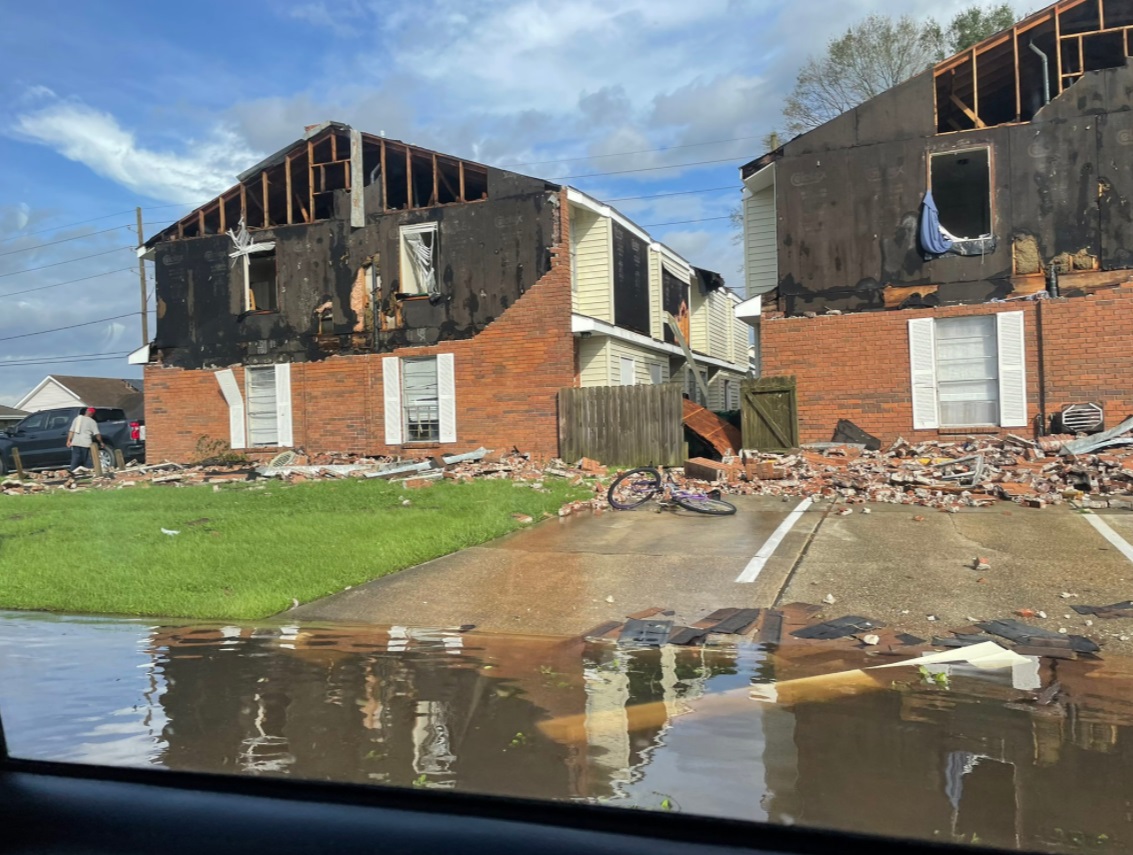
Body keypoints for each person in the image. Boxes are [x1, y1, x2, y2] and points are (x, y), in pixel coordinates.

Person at [67, 407, 102, 473]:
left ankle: (72, 472)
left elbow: (71, 431)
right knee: (87, 460)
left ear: (86, 411)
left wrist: (69, 440)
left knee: (75, 460)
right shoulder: (92, 422)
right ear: (92, 414)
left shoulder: (77, 419)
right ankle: (90, 472)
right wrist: (101, 442)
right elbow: (97, 434)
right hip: (86, 444)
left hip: (76, 442)